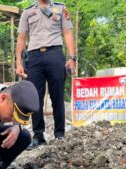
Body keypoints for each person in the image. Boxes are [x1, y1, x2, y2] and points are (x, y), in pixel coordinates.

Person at [16, 0, 76, 149]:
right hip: (34, 57)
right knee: (35, 98)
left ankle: (60, 134)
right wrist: (18, 62)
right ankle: (38, 136)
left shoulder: (61, 8)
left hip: (55, 54)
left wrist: (72, 58)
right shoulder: (27, 12)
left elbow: (67, 33)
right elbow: (22, 37)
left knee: (58, 96)